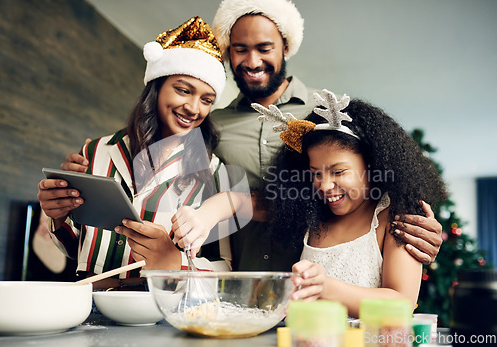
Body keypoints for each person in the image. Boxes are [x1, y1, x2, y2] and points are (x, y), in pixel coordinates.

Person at [62, 0, 443, 271]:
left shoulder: (326, 119)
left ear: (285, 48)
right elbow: (160, 168)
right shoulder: (210, 125)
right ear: (228, 54)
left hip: (310, 280)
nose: (252, 61)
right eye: (240, 49)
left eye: (265, 48)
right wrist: (83, 178)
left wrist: (415, 233)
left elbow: (372, 185)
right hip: (234, 280)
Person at [174, 89, 446, 318]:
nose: (325, 186)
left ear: (372, 167)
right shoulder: (311, 208)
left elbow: (401, 304)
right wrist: (202, 217)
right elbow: (235, 202)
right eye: (316, 173)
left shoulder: (395, 218)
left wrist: (324, 286)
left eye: (338, 172)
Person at [37, 17, 232, 289]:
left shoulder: (212, 171)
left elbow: (224, 267)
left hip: (158, 313)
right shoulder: (95, 151)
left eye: (206, 99)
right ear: (157, 86)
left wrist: (175, 263)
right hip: (88, 306)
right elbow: (76, 248)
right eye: (183, 90)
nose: (193, 107)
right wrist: (56, 214)